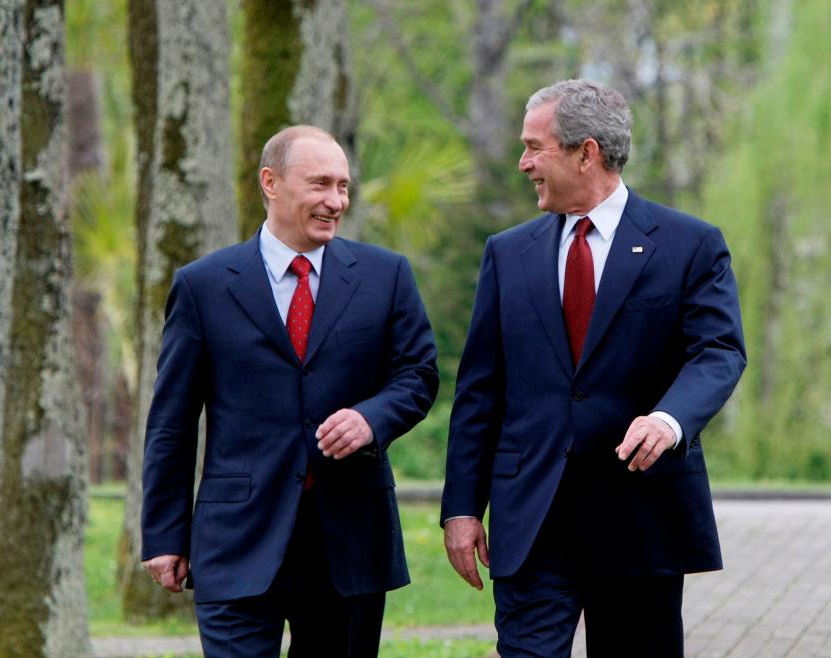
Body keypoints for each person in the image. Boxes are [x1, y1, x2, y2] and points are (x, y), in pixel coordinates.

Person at [441, 79, 746, 657]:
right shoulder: (507, 253)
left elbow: (719, 351)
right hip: (531, 518)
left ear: (587, 152)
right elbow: (480, 391)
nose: (522, 162)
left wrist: (669, 420)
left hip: (640, 517)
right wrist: (460, 507)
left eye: (535, 147)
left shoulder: (690, 245)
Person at [141, 125, 438, 658]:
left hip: (350, 541)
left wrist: (373, 418)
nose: (335, 201)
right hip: (237, 538)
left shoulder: (386, 275)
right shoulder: (203, 285)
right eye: (320, 184)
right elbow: (173, 420)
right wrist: (165, 533)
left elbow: (418, 375)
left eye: (343, 186)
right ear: (270, 182)